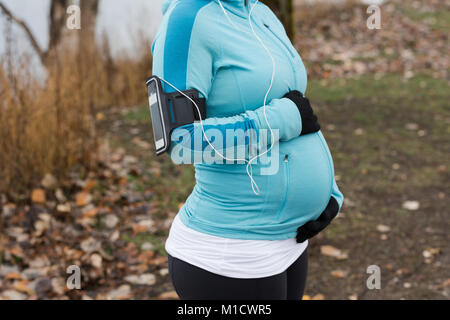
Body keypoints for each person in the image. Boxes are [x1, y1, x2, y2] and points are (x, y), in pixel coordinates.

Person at [151, 0, 344, 300]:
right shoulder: (186, 20)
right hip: (230, 254)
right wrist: (283, 118)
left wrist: (327, 190)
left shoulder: (260, 11)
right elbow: (181, 142)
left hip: (290, 244)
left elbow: (298, 106)